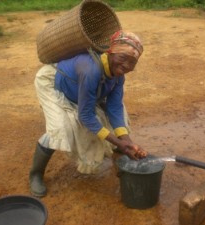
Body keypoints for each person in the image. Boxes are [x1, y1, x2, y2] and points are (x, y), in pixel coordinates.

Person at [29, 30, 148, 197]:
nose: (127, 66)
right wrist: (117, 141)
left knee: (120, 114)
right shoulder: (90, 69)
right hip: (53, 83)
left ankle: (121, 148)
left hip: (81, 89)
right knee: (61, 128)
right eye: (123, 58)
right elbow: (85, 116)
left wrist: (127, 141)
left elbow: (114, 107)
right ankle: (35, 174)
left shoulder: (118, 75)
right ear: (110, 53)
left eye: (132, 62)